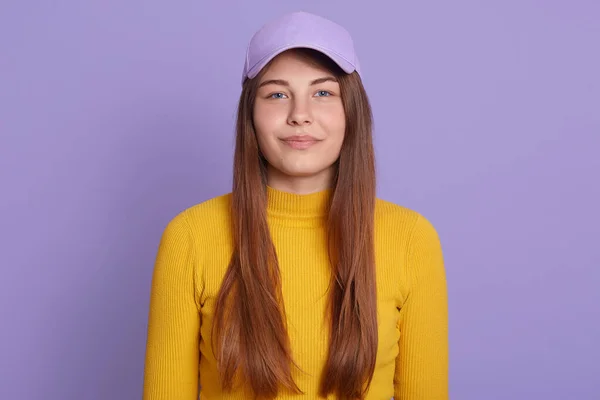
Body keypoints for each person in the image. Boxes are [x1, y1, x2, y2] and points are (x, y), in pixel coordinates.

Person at [142, 10, 448, 400]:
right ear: (250, 115)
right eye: (277, 94)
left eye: (323, 92)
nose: (299, 115)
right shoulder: (189, 236)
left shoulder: (411, 239)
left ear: (350, 111)